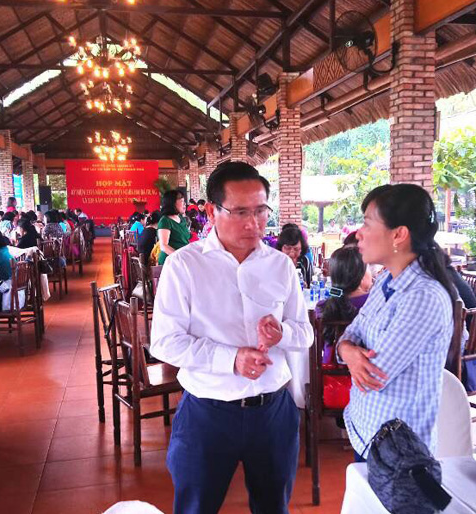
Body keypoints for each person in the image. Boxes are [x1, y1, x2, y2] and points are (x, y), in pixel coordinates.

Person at [151, 161, 313, 514]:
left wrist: (281, 333)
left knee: (274, 507)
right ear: (212, 211)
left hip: (273, 412)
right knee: (196, 507)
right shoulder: (184, 265)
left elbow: (305, 333)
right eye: (240, 212)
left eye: (261, 211)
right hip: (208, 413)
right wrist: (232, 359)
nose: (253, 223)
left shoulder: (280, 265)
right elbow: (165, 341)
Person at [336, 184, 456, 462]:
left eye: (367, 223)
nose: (358, 233)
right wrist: (348, 350)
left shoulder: (423, 296)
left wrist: (349, 351)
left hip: (397, 450)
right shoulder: (385, 282)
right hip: (367, 432)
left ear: (399, 234)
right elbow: (351, 332)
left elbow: (373, 376)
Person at [316, 246, 372, 363]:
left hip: (328, 369)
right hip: (364, 369)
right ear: (360, 275)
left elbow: (319, 347)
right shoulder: (373, 303)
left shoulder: (321, 307)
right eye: (369, 268)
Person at [157, 190, 190, 266]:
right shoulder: (165, 221)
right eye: (182, 201)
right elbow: (164, 246)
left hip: (182, 259)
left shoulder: (181, 219)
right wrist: (179, 257)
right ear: (173, 203)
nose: (184, 204)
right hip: (170, 261)